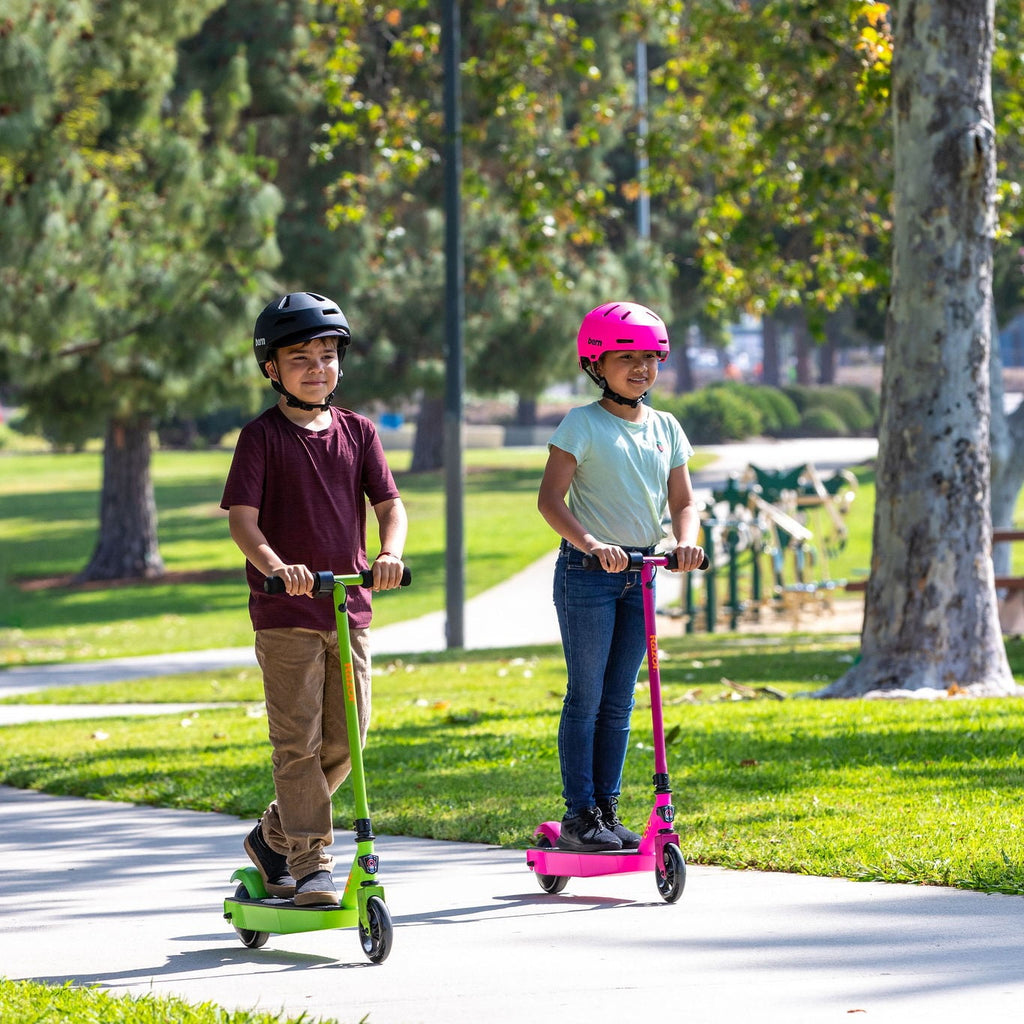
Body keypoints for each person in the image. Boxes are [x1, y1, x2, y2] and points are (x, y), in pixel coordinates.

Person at [221, 291, 408, 906]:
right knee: (296, 741)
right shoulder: (261, 438)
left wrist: (389, 552)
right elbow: (244, 522)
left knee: (347, 738)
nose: (317, 368)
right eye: (300, 357)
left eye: (327, 356)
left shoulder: (358, 431)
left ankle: (272, 836)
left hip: (347, 608)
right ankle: (310, 861)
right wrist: (278, 568)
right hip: (286, 615)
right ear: (272, 368)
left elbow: (390, 506)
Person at [537, 300, 705, 852]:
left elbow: (683, 501)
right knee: (585, 695)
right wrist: (592, 544)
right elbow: (550, 501)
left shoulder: (666, 427)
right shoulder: (582, 423)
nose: (641, 369)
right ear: (596, 363)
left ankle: (606, 810)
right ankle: (579, 812)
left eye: (651, 358)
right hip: (588, 573)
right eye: (625, 357)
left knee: (620, 699)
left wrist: (684, 541)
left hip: (643, 573)